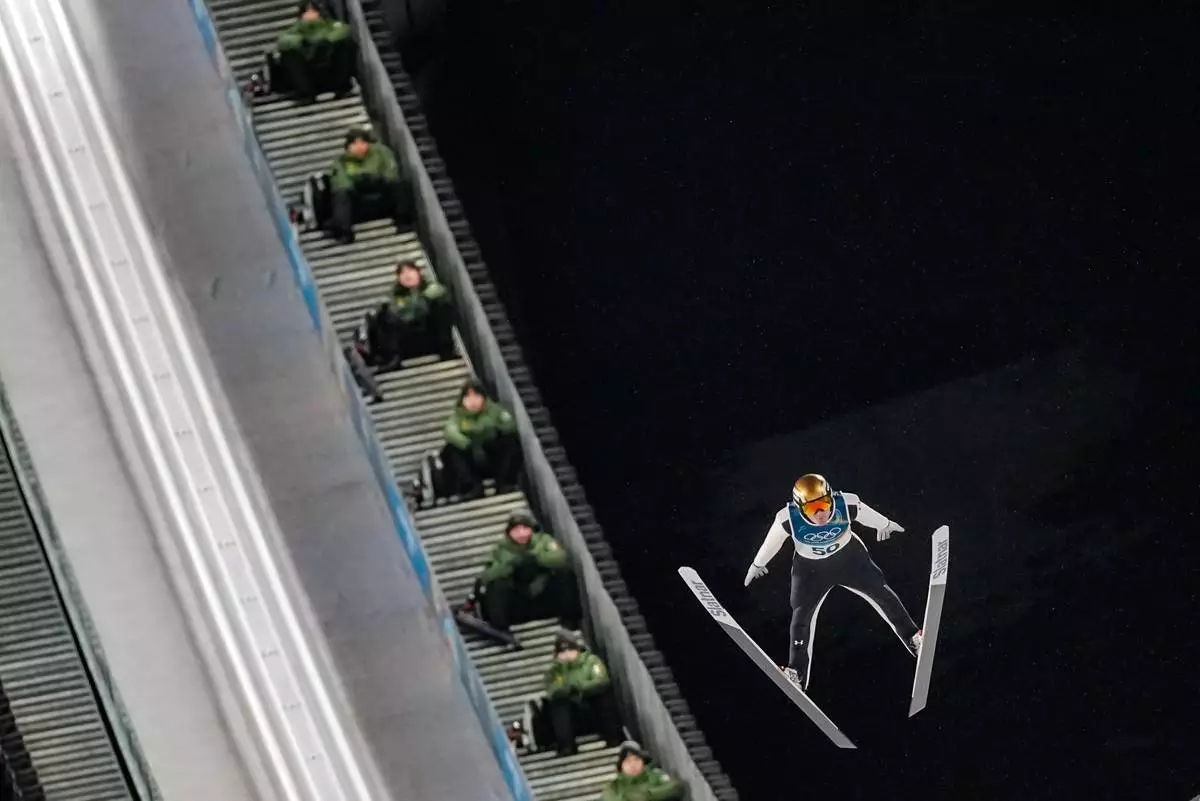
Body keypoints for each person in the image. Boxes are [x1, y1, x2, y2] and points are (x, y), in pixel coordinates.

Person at [743, 473, 922, 690]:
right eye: (812, 508)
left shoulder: (846, 504)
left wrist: (885, 524)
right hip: (811, 571)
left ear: (831, 497)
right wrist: (757, 564)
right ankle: (796, 673)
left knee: (881, 593)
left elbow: (867, 515)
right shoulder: (787, 518)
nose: (820, 513)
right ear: (800, 508)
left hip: (849, 560)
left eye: (824, 504)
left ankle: (913, 637)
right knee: (801, 617)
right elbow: (772, 542)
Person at [478, 513, 581, 633]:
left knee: (565, 574)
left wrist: (538, 559)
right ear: (509, 533)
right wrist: (510, 566)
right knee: (496, 587)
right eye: (516, 530)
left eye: (524, 528)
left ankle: (570, 621)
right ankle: (501, 630)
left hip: (543, 595)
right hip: (518, 601)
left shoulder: (543, 541)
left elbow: (561, 558)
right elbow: (487, 576)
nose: (521, 533)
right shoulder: (501, 550)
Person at [358, 261, 455, 369]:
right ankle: (384, 356)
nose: (407, 276)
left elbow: (421, 312)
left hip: (428, 338)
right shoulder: (397, 295)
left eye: (410, 271)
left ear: (418, 272)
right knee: (381, 314)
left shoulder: (432, 289)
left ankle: (446, 350)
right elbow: (398, 313)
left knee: (440, 306)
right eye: (402, 273)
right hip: (406, 340)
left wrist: (416, 295)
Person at [543, 631, 624, 756]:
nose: (567, 654)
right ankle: (567, 746)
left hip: (592, 707)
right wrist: (564, 671)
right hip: (573, 713)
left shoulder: (591, 661)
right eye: (563, 652)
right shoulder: (555, 670)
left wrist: (580, 687)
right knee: (558, 705)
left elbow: (601, 680)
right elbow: (552, 690)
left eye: (570, 650)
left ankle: (613, 737)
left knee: (604, 695)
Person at [440, 379, 521, 499]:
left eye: (476, 396)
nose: (472, 402)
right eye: (468, 397)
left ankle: (505, 483)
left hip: (492, 457)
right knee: (450, 450)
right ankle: (471, 487)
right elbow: (450, 431)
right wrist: (467, 443)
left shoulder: (494, 410)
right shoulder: (458, 416)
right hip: (471, 460)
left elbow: (509, 425)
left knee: (511, 441)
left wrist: (489, 430)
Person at [329, 128, 412, 244]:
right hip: (358, 202)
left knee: (398, 184)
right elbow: (341, 182)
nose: (359, 147)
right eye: (355, 144)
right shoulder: (341, 161)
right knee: (341, 194)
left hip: (381, 196)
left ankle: (403, 222)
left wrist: (377, 178)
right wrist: (359, 179)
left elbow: (391, 171)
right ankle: (345, 233)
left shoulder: (381, 152)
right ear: (348, 147)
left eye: (362, 143)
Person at [275, 1, 355, 102]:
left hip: (332, 70)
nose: (310, 14)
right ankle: (306, 93)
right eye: (307, 11)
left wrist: (326, 41)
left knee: (345, 44)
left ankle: (342, 88)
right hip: (310, 75)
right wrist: (303, 42)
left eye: (313, 10)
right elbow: (283, 41)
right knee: (288, 54)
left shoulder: (331, 25)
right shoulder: (296, 31)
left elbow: (344, 30)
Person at [601, 741, 687, 801]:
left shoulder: (655, 775)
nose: (633, 764)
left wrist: (648, 795)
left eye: (636, 760)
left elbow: (676, 788)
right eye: (628, 761)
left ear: (643, 762)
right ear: (621, 766)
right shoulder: (613, 786)